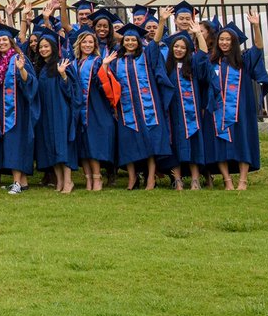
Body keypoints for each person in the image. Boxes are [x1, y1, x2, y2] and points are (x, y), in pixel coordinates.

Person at [106, 23, 174, 191]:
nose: (130, 42)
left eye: (133, 40)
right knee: (128, 143)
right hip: (126, 108)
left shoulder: (146, 55)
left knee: (150, 142)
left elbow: (155, 42)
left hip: (149, 107)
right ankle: (132, 177)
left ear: (138, 41)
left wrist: (163, 20)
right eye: (127, 40)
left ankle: (151, 178)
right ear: (122, 42)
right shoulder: (117, 61)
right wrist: (106, 65)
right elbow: (110, 83)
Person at [210, 15, 268, 191]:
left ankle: (243, 180)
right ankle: (227, 180)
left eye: (228, 39)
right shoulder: (212, 62)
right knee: (220, 143)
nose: (225, 42)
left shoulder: (244, 60)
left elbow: (258, 47)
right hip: (218, 111)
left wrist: (256, 27)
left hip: (241, 109)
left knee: (243, 141)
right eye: (222, 39)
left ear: (234, 42)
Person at [0, 24, 37, 194]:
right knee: (9, 143)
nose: (1, 42)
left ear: (11, 41)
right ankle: (22, 182)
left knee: (16, 143)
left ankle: (17, 183)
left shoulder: (19, 58)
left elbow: (31, 82)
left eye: (4, 39)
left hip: (17, 108)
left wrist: (21, 70)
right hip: (1, 108)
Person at [163, 29, 213, 191]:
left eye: (183, 47)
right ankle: (177, 180)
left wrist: (198, 34)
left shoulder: (193, 66)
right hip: (174, 113)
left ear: (188, 50)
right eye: (176, 46)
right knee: (175, 144)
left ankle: (195, 179)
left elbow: (203, 54)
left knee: (194, 144)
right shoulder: (167, 67)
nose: (178, 49)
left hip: (192, 114)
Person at [71, 30, 118, 192]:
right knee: (82, 144)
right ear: (79, 44)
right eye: (85, 42)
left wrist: (104, 67)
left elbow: (103, 84)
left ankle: (97, 178)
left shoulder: (98, 61)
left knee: (93, 143)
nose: (88, 45)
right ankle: (88, 178)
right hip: (77, 108)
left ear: (95, 45)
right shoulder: (73, 62)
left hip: (94, 107)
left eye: (91, 42)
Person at [32, 30, 77, 194]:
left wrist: (63, 74)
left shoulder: (62, 63)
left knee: (62, 144)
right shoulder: (41, 67)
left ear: (53, 47)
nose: (43, 49)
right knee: (50, 144)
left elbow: (71, 90)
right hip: (46, 111)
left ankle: (68, 181)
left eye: (46, 46)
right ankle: (59, 181)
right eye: (41, 47)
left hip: (60, 110)